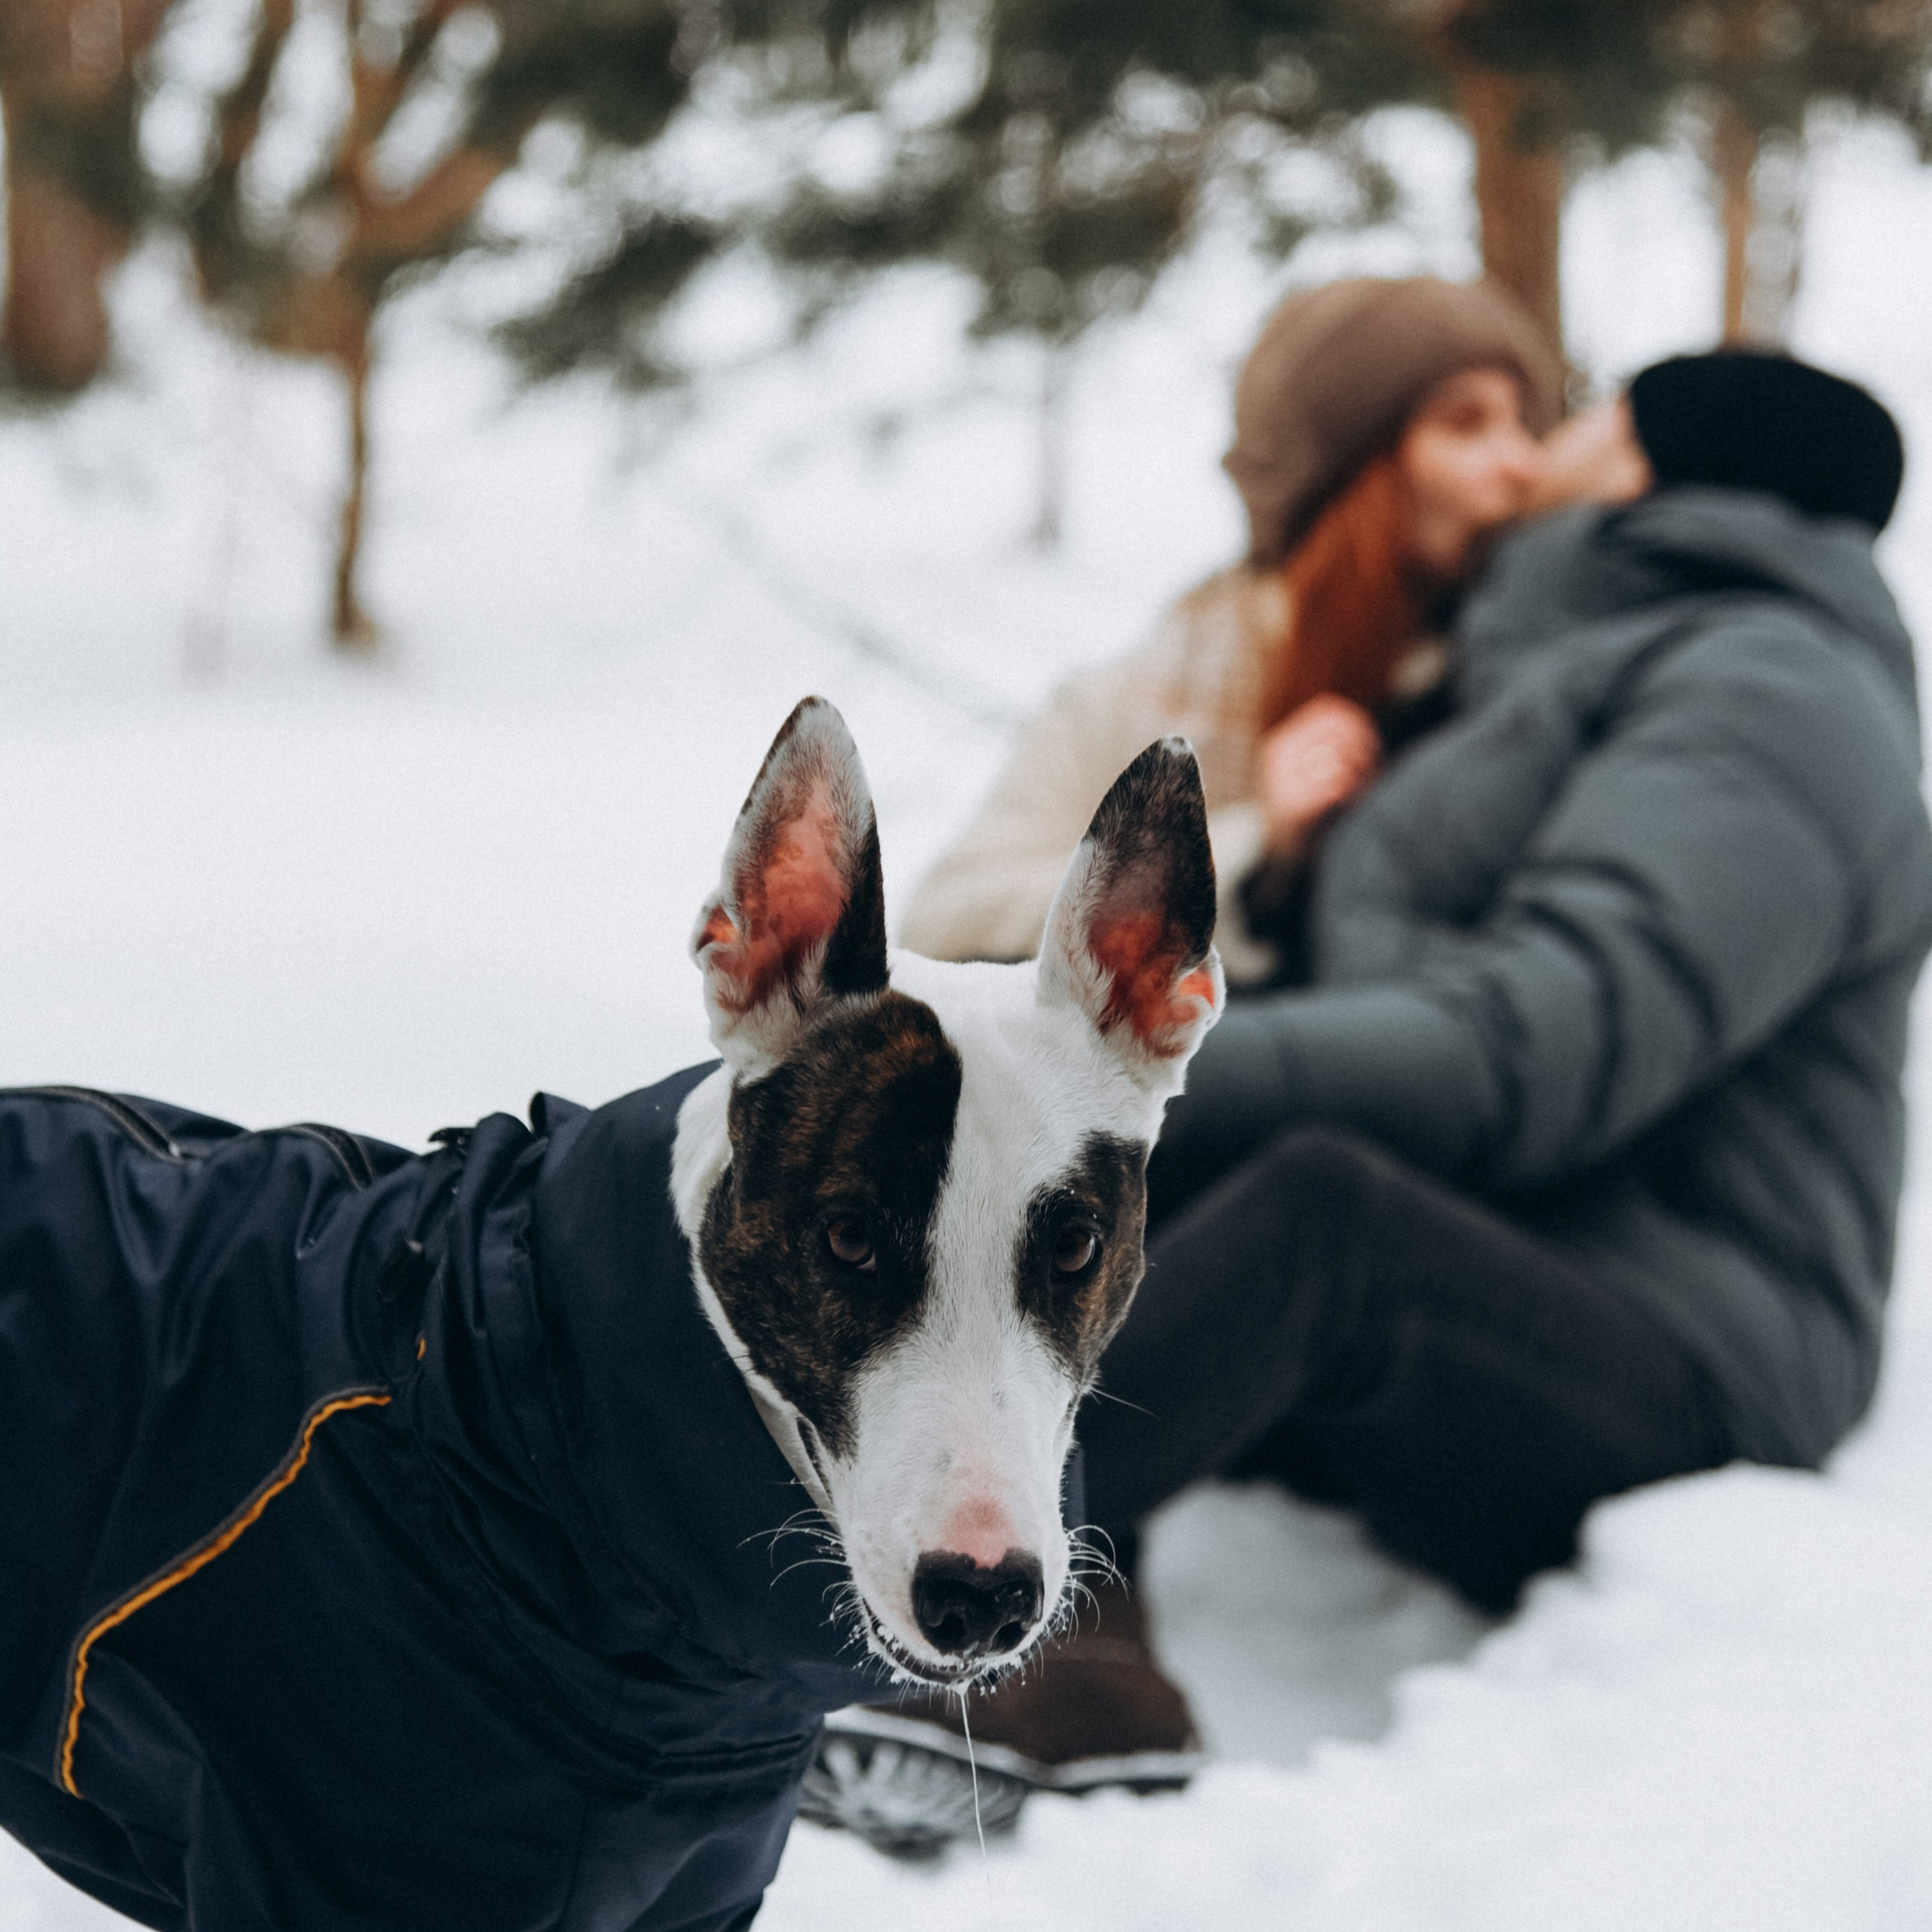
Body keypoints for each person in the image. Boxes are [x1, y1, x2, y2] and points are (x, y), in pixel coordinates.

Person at [808, 345, 1930, 1854]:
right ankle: (1042, 1636)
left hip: (1693, 1346)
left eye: (1586, 418)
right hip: (1543, 1252)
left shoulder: (1778, 698)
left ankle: (934, 1643)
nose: (1546, 448)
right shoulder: (1585, 661)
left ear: (1664, 464)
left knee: (1314, 1212)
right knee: (1118, 1204)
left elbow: (1536, 1046)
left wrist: (1155, 1077)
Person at [900, 274, 1562, 985]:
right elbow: (940, 933)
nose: (1523, 463)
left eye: (1524, 424)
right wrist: (1242, 852)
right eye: (1467, 424)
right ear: (1348, 472)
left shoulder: (1522, 683)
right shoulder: (1130, 704)